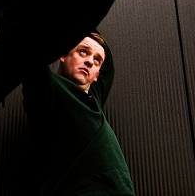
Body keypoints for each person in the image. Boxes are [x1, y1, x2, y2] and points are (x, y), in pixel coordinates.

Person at [22, 32, 135, 195]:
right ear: (63, 55)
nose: (90, 61)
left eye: (97, 60)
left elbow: (108, 61)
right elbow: (32, 55)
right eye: (83, 52)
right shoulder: (49, 90)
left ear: (97, 75)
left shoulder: (94, 98)